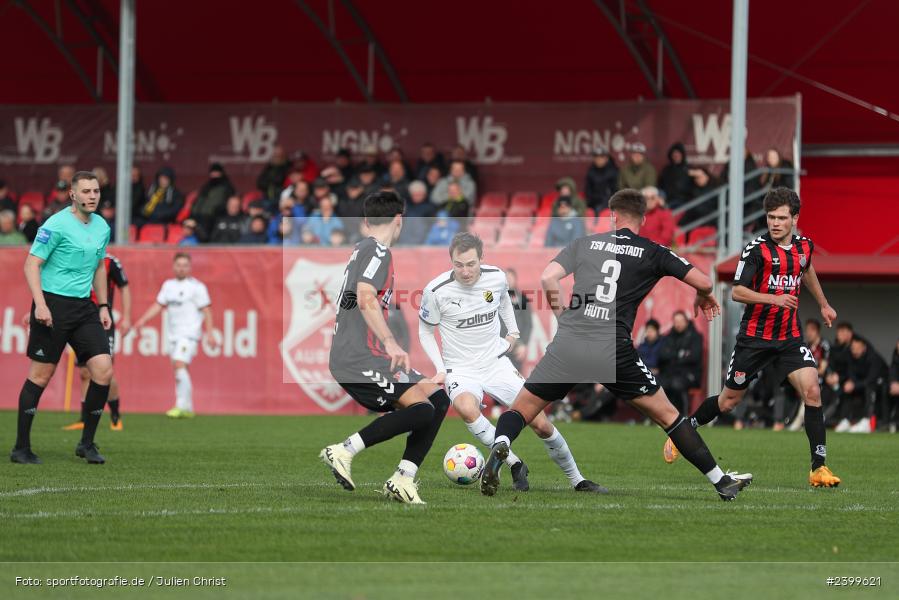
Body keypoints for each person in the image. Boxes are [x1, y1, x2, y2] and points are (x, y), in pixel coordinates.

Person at [481, 188, 751, 501]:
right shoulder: (653, 251)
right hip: (612, 348)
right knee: (668, 416)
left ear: (612, 216)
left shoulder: (585, 243)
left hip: (570, 341)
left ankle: (502, 442)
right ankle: (721, 481)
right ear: (643, 218)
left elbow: (548, 278)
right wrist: (702, 294)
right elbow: (705, 281)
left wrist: (564, 317)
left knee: (522, 410)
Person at [665, 187, 841, 488]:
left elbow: (806, 270)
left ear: (795, 219)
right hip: (754, 339)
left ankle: (818, 468)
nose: (775, 223)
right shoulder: (756, 250)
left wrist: (823, 303)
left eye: (781, 218)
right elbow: (737, 292)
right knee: (729, 402)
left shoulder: (805, 247)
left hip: (789, 337)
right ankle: (685, 430)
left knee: (813, 392)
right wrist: (775, 299)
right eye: (771, 217)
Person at [419, 233, 605, 493]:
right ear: (451, 261)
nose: (465, 270)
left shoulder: (496, 277)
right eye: (458, 264)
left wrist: (513, 333)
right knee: (465, 407)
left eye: (471, 264)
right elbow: (425, 330)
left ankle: (578, 480)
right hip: (460, 369)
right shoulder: (435, 291)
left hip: (496, 363)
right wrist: (440, 368)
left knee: (540, 424)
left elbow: (505, 301)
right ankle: (515, 464)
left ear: (481, 259)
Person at [320, 190, 451, 505]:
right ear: (399, 219)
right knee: (421, 411)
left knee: (438, 400)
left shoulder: (363, 249)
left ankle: (403, 478)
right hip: (356, 356)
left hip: (367, 353)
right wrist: (391, 341)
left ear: (366, 220)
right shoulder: (378, 252)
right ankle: (343, 450)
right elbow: (365, 296)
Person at [12, 171, 113, 464]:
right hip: (52, 306)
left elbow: (99, 267)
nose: (92, 196)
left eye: (95, 191)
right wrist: (40, 306)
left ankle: (87, 444)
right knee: (41, 375)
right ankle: (21, 448)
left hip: (84, 308)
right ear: (73, 194)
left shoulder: (102, 226)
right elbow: (32, 265)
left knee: (103, 370)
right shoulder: (55, 224)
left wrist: (103, 305)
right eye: (86, 191)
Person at [126, 253, 218, 418]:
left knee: (179, 364)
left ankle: (181, 405)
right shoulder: (168, 285)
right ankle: (188, 408)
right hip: (173, 334)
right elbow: (159, 305)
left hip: (189, 334)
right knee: (179, 369)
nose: (182, 268)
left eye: (185, 265)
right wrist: (143, 320)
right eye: (179, 265)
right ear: (174, 266)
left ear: (190, 268)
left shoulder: (197, 287)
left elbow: (207, 310)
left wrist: (210, 333)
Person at [63, 254, 131, 432]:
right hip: (80, 320)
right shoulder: (79, 255)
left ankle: (115, 415)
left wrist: (127, 317)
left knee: (105, 370)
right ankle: (84, 418)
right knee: (85, 372)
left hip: (102, 321)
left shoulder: (110, 261)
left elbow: (124, 287)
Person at [835, 336, 888, 433]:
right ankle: (845, 420)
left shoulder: (874, 358)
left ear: (864, 348)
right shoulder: (851, 356)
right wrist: (851, 383)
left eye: (857, 348)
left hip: (880, 385)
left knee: (869, 387)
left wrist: (855, 385)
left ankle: (867, 421)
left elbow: (871, 379)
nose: (854, 351)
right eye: (853, 348)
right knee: (846, 387)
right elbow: (851, 373)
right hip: (862, 383)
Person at [657, 311, 703, 415]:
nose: (678, 324)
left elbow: (694, 357)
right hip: (670, 374)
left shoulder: (695, 337)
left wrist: (673, 356)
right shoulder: (668, 337)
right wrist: (680, 354)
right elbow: (662, 355)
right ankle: (663, 416)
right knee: (658, 384)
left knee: (676, 384)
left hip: (690, 375)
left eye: (681, 321)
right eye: (676, 321)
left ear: (686, 322)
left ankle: (683, 416)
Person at [191, 163, 235, 241]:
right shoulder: (206, 187)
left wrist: (216, 211)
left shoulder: (227, 187)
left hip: (214, 218)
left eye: (217, 172)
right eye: (213, 172)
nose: (214, 175)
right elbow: (198, 203)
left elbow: (227, 204)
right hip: (199, 217)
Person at [499, 268, 532, 371]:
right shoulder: (496, 297)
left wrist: (523, 344)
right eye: (506, 278)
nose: (508, 280)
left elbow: (528, 324)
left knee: (516, 379)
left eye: (510, 277)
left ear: (515, 279)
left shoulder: (521, 298)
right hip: (499, 346)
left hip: (516, 346)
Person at [396, 180, 434, 245]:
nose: (417, 197)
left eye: (419, 194)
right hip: (403, 239)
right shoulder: (407, 206)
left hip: (420, 240)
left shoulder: (430, 208)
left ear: (424, 194)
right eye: (414, 195)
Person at [658, 142, 692, 210]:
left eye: (678, 153)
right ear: (671, 156)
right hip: (669, 202)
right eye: (674, 154)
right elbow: (660, 186)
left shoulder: (689, 169)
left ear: (682, 155)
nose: (676, 156)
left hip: (685, 202)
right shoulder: (666, 170)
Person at [583, 148, 618, 212]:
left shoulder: (613, 171)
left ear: (606, 158)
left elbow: (615, 191)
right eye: (596, 157)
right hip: (593, 202)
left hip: (608, 202)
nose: (599, 160)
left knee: (599, 209)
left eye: (601, 157)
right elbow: (588, 190)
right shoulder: (591, 171)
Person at [889, 340, 899, 434]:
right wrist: (894, 383)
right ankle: (890, 422)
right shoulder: (896, 356)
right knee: (886, 389)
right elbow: (893, 370)